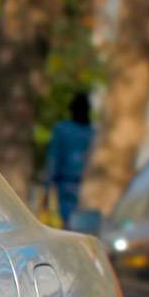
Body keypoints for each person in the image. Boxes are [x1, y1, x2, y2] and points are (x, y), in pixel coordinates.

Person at [45, 94, 94, 225]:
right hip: (87, 186)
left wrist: (47, 186)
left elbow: (53, 159)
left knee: (67, 222)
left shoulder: (62, 129)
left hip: (65, 184)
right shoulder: (92, 132)